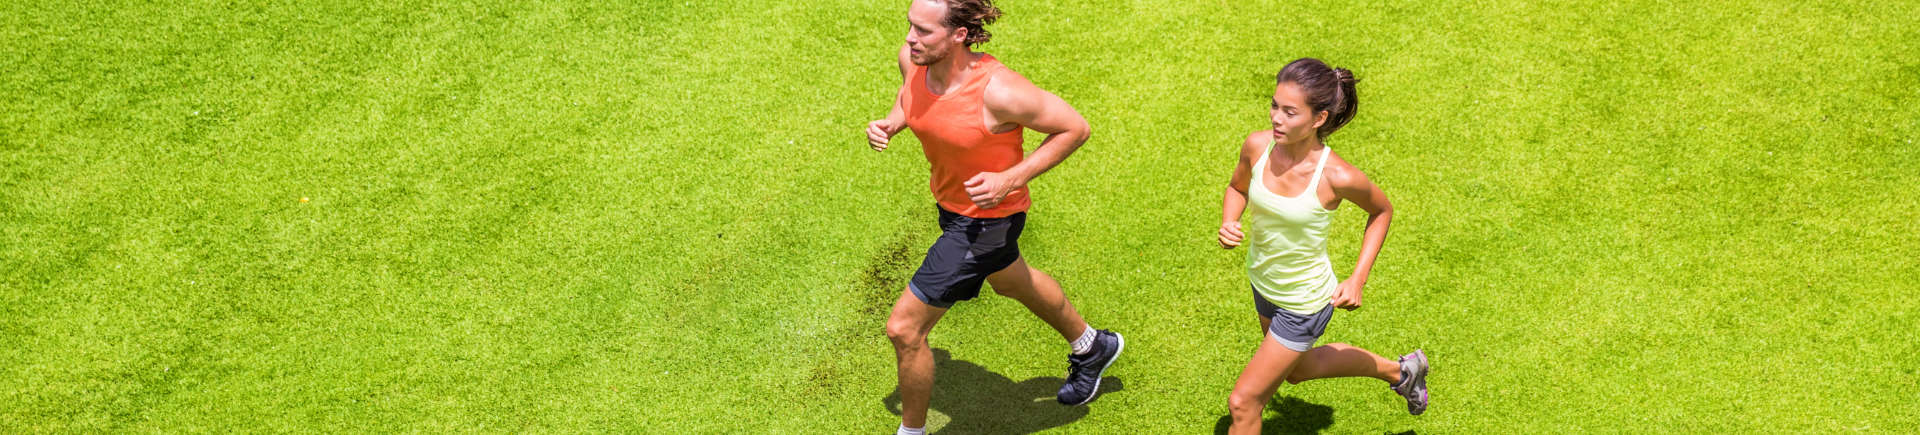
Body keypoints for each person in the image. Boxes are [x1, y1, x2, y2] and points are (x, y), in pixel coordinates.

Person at [864, 1, 1122, 434]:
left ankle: (912, 432)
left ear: (959, 35)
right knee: (1010, 280)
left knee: (904, 329)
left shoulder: (998, 91)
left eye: (924, 31)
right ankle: (1092, 346)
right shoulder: (916, 59)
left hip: (987, 220)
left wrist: (1010, 178)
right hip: (952, 206)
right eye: (910, 26)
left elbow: (1075, 128)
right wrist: (893, 122)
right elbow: (911, 91)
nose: (911, 38)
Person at [1215, 58, 1428, 434]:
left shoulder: (1337, 176)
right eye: (1274, 105)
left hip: (1304, 301)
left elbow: (1381, 212)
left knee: (1244, 402)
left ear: (1318, 119)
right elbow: (1237, 187)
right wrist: (1229, 220)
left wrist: (1357, 279)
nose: (1277, 118)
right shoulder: (1257, 145)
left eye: (1290, 112)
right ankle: (1402, 371)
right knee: (1296, 373)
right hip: (1263, 283)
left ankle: (1402, 371)